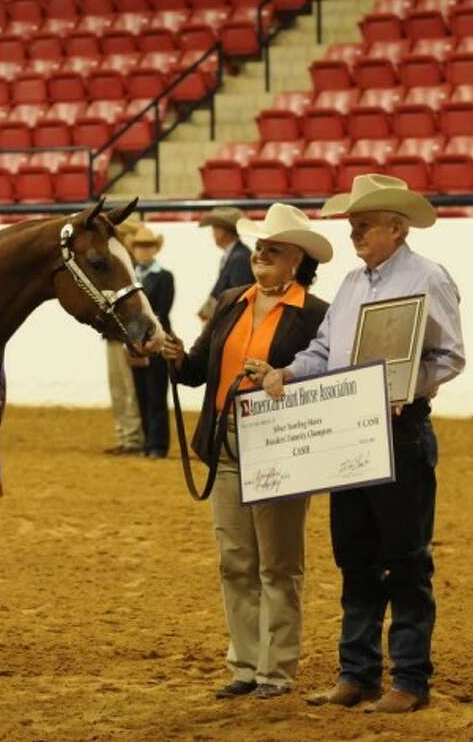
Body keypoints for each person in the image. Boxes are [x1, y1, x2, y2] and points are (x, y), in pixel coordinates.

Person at [260, 174, 466, 714]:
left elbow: (449, 358)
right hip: (348, 427)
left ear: (397, 229)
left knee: (405, 557)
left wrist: (403, 388)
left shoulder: (429, 277)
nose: (354, 233)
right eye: (353, 225)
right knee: (355, 555)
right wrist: (287, 372)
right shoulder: (351, 284)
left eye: (364, 225)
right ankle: (357, 673)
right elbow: (324, 353)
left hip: (400, 429)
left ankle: (411, 679)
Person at [161, 203, 332, 700]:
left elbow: (323, 376)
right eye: (259, 248)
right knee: (235, 560)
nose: (261, 255)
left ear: (296, 260)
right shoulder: (233, 299)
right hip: (225, 441)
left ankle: (275, 671)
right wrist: (174, 357)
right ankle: (244, 665)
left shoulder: (315, 314)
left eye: (273, 250)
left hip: (278, 446)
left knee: (278, 564)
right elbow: (197, 369)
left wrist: (280, 378)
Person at [126, 225, 174, 459]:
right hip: (136, 340)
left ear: (154, 249)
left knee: (156, 393)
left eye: (147, 247)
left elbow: (162, 312)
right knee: (141, 393)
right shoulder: (130, 277)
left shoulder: (164, 277)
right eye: (139, 247)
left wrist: (144, 337)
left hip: (155, 341)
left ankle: (159, 443)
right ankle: (148, 441)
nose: (143, 252)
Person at [103, 218, 146, 455]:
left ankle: (132, 437)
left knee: (128, 388)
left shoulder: (133, 269)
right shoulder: (121, 267)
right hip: (115, 334)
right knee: (119, 387)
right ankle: (125, 434)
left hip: (127, 335)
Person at [197, 208, 254, 324]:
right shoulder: (235, 255)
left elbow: (238, 296)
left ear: (222, 231)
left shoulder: (239, 258)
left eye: (214, 229)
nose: (212, 235)